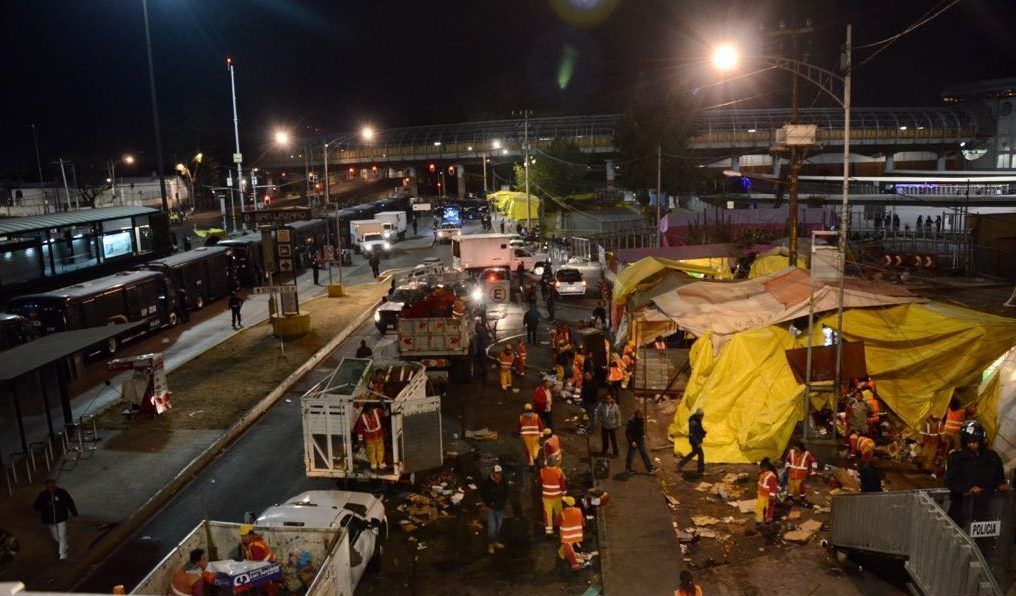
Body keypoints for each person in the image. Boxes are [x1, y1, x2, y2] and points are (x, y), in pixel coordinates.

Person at [945, 420, 1009, 522]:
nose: (971, 444)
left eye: (974, 441)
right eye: (968, 442)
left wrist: (1001, 483)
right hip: (961, 511)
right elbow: (951, 481)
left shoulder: (992, 457)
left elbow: (998, 474)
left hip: (985, 511)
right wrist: (968, 488)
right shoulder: (956, 458)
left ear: (981, 440)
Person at [34, 479, 78, 561]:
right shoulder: (43, 495)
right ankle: (64, 545)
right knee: (55, 536)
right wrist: (45, 505)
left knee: (62, 535)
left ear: (55, 485)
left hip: (61, 518)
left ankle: (62, 555)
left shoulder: (62, 493)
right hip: (50, 520)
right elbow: (36, 506)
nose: (50, 489)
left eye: (51, 487)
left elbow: (69, 502)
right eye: (48, 487)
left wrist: (74, 513)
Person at [480, 464, 509, 554]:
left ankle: (496, 542)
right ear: (493, 473)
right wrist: (487, 505)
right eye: (497, 474)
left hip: (500, 507)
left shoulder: (503, 481)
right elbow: (483, 495)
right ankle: (490, 545)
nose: (499, 475)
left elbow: (506, 492)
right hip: (491, 508)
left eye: (500, 473)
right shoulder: (487, 483)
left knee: (498, 525)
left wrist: (503, 503)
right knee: (492, 527)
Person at [354, 403, 389, 471]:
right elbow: (359, 430)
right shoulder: (362, 418)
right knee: (371, 452)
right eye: (369, 410)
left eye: (371, 410)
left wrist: (384, 406)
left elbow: (386, 414)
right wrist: (360, 441)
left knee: (380, 450)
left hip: (379, 436)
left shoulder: (377, 411)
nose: (371, 411)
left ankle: (381, 464)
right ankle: (373, 466)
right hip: (369, 439)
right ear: (366, 411)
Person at [557, 496, 587, 572]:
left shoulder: (563, 514)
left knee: (569, 552)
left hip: (567, 536)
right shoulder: (578, 511)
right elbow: (583, 522)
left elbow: (557, 523)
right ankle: (561, 554)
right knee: (566, 548)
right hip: (577, 534)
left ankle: (575, 567)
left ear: (566, 504)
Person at [625, 409, 658, 474]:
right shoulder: (632, 421)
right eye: (640, 416)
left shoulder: (641, 419)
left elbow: (641, 428)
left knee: (644, 453)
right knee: (631, 455)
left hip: (640, 439)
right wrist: (632, 441)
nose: (642, 417)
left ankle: (650, 468)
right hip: (634, 440)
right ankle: (628, 469)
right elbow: (627, 432)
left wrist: (643, 434)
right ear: (637, 415)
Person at [785, 440, 817, 505]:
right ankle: (789, 497)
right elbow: (787, 460)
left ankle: (802, 498)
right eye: (794, 447)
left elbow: (814, 462)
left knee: (799, 486)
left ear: (800, 447)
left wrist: (813, 470)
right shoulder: (791, 452)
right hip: (792, 472)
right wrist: (787, 467)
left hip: (801, 474)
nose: (794, 448)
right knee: (790, 485)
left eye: (796, 447)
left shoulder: (806, 454)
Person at [539, 462, 567, 535]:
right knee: (558, 511)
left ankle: (549, 531)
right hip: (557, 495)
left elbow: (540, 482)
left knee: (547, 513)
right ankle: (560, 527)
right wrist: (564, 492)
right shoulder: (558, 471)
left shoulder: (542, 471)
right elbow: (562, 483)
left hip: (546, 496)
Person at [677, 408, 706, 476]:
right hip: (694, 441)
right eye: (702, 416)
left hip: (695, 440)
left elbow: (699, 429)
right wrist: (698, 442)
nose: (702, 417)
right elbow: (692, 434)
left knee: (694, 453)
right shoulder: (693, 423)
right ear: (699, 415)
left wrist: (703, 432)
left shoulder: (697, 420)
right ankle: (700, 471)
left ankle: (680, 464)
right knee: (701, 455)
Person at [755, 458, 778, 525]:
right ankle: (759, 520)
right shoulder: (763, 473)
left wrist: (771, 496)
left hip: (768, 496)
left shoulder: (771, 476)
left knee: (769, 508)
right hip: (761, 494)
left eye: (761, 467)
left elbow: (773, 488)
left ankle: (768, 519)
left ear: (765, 467)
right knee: (759, 507)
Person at [578, 372, 599, 436]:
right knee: (589, 415)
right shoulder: (586, 383)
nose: (586, 377)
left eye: (587, 375)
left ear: (591, 376)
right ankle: (589, 427)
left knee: (591, 416)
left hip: (591, 402)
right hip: (586, 402)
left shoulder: (594, 384)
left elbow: (594, 394)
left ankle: (591, 429)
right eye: (585, 376)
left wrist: (593, 402)